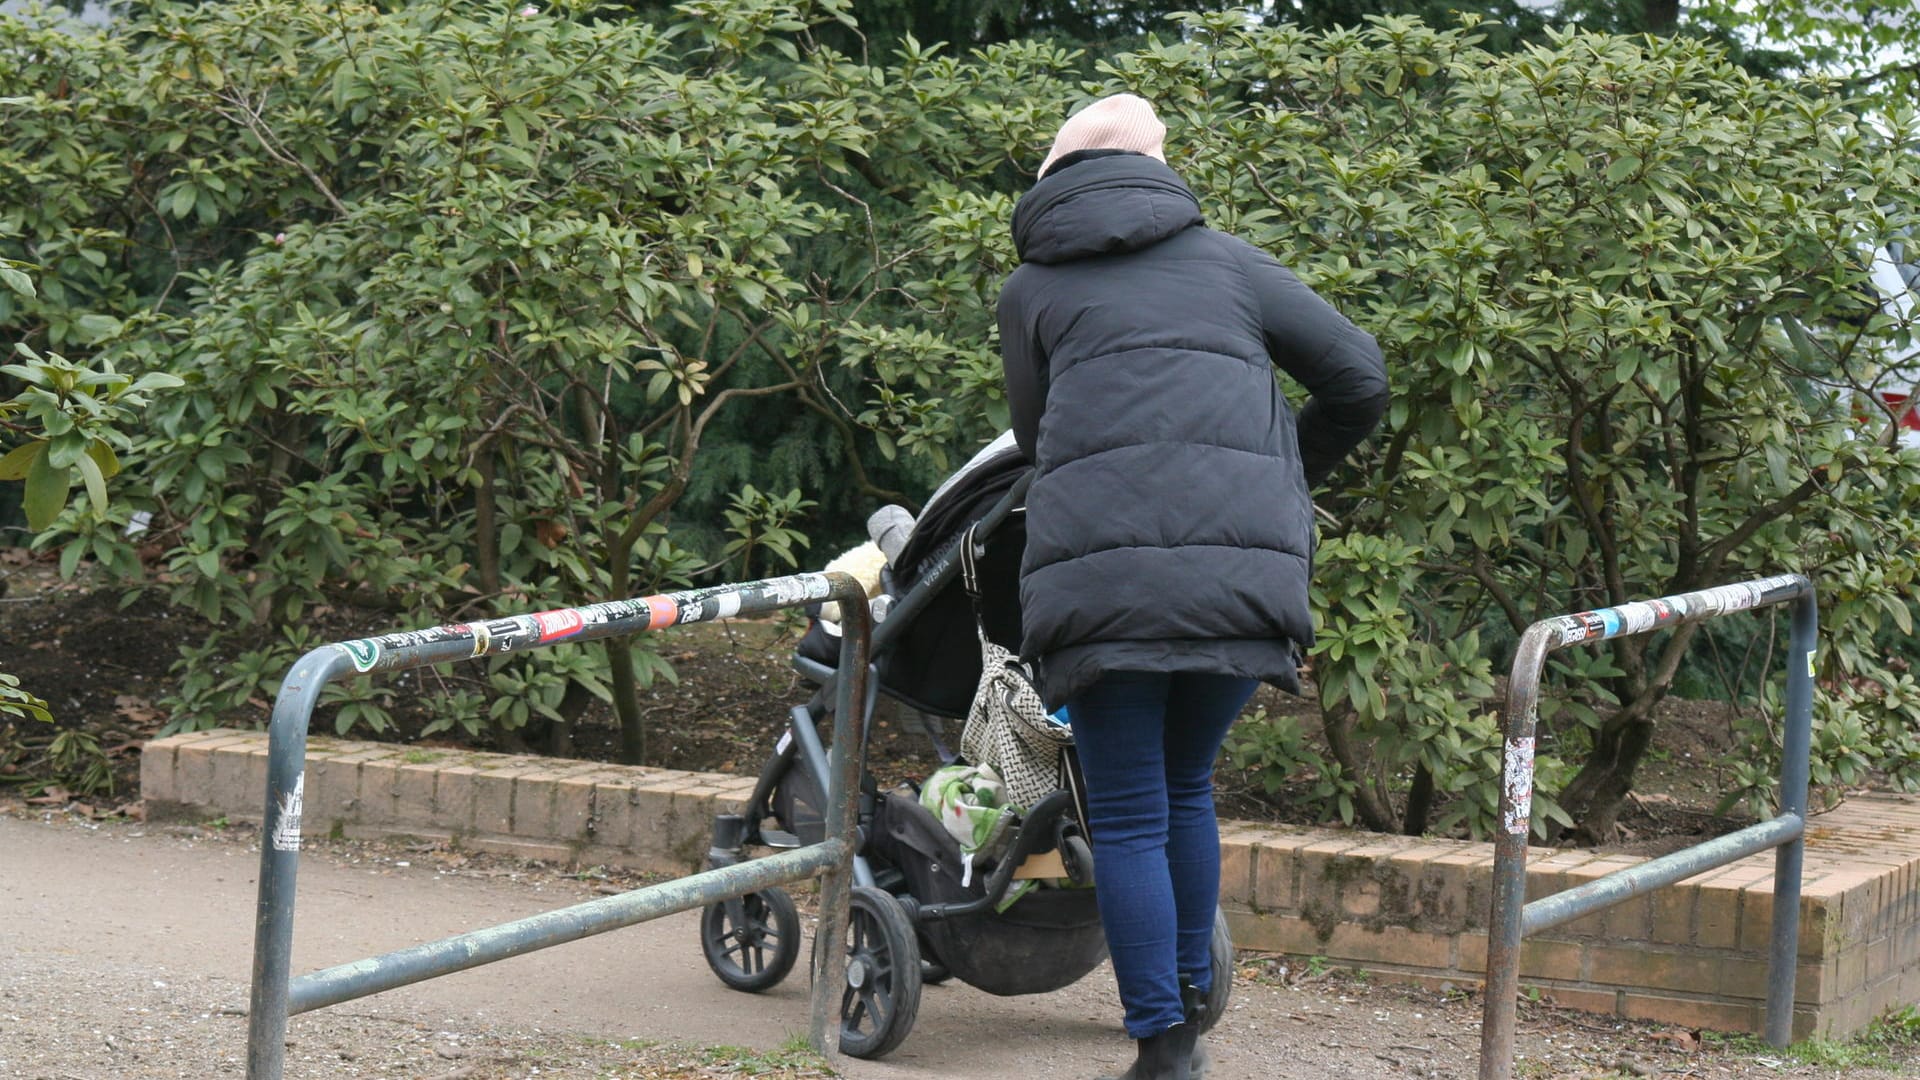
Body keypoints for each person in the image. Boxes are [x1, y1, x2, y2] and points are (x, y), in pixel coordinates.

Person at [997, 94, 1388, 1080]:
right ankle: (1185, 1019)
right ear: (1157, 168)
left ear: (1056, 177)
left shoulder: (1033, 291)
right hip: (1241, 575)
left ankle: (1167, 1046)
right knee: (1183, 790)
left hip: (1102, 578)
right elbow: (1359, 380)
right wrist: (1278, 484)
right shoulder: (1231, 264)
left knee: (1127, 808)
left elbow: (1041, 444)